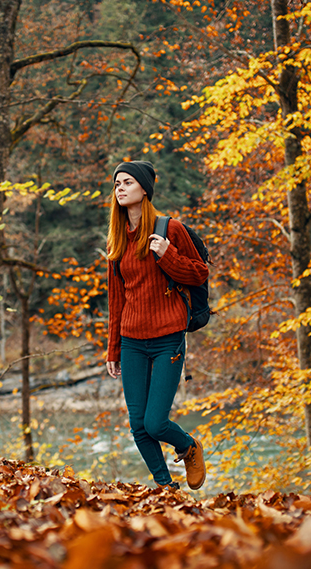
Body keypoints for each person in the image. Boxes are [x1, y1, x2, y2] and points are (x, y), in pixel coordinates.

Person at [105, 160, 208, 490]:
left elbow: (198, 274)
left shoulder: (170, 229)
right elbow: (116, 300)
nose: (120, 188)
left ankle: (188, 446)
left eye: (127, 182)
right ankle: (166, 488)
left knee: (156, 422)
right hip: (132, 340)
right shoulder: (117, 241)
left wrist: (167, 255)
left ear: (144, 189)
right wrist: (113, 348)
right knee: (138, 425)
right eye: (117, 183)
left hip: (168, 338)